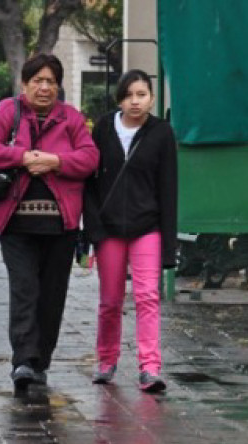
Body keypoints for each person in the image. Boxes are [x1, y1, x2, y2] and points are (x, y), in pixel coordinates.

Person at [0, 54, 98, 391]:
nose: (44, 87)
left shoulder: (71, 119)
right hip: (15, 223)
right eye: (37, 81)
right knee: (25, 289)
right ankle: (24, 361)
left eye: (51, 81)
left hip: (62, 225)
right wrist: (23, 157)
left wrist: (56, 162)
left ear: (59, 86)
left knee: (52, 295)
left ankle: (41, 361)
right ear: (25, 84)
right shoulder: (7, 111)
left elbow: (89, 158)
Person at [83, 69, 178, 393]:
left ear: (151, 97)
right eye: (129, 95)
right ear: (119, 99)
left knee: (147, 296)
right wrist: (92, 228)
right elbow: (90, 183)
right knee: (110, 300)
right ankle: (106, 361)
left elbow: (168, 189)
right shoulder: (104, 129)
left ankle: (150, 367)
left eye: (141, 94)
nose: (135, 101)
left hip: (146, 226)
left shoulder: (162, 133)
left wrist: (169, 245)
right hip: (109, 229)